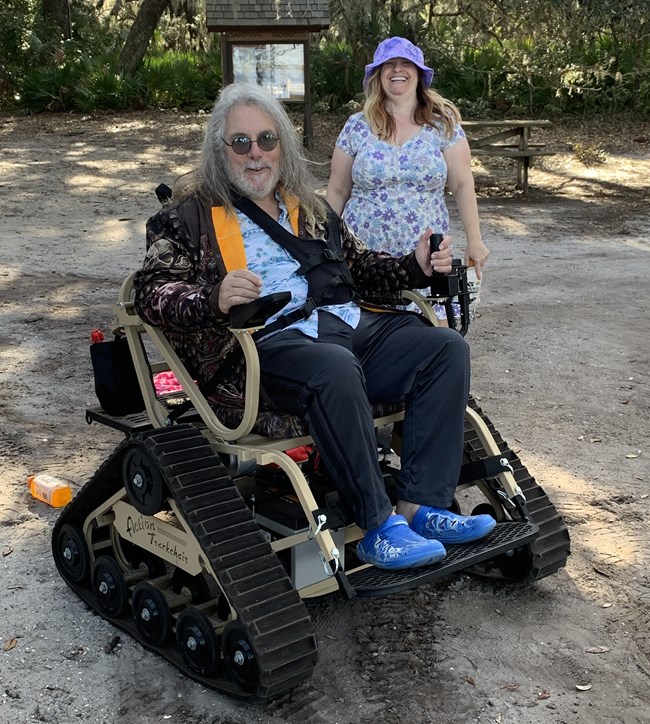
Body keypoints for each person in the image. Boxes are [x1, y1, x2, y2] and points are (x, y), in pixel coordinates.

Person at [133, 82, 495, 571]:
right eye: (240, 143)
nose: (255, 154)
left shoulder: (312, 208)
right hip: (261, 348)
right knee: (334, 367)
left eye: (266, 140)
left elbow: (359, 267)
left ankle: (420, 508)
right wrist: (211, 299)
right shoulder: (186, 217)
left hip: (346, 325)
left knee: (444, 349)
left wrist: (415, 268)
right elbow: (150, 292)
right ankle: (377, 526)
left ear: (283, 143)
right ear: (219, 151)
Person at [326, 36, 489, 323]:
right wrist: (324, 243)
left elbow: (462, 184)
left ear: (418, 72)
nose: (397, 70)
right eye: (389, 64)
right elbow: (338, 190)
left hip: (426, 254)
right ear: (378, 74)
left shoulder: (443, 122)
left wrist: (475, 240)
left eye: (405, 63)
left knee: (432, 337)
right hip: (366, 258)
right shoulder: (356, 126)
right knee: (364, 335)